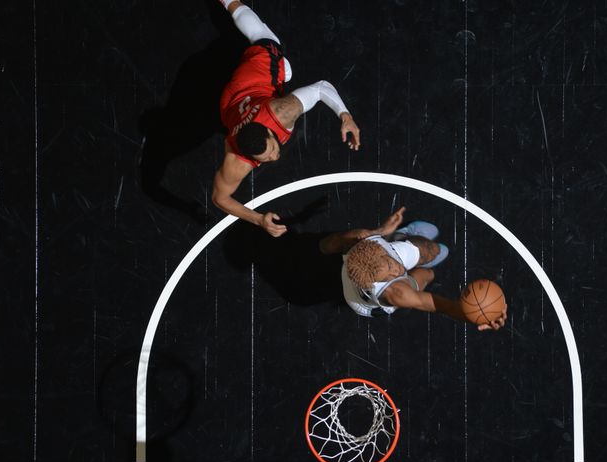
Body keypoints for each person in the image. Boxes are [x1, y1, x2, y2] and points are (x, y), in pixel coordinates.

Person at [213, 0, 361, 237]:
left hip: (252, 81)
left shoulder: (281, 113)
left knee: (267, 40)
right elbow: (219, 198)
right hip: (231, 104)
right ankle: (284, 72)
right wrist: (258, 219)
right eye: (266, 157)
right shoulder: (236, 158)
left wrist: (345, 116)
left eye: (270, 149)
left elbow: (322, 88)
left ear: (270, 131)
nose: (273, 157)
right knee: (283, 73)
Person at [319, 208, 507, 331]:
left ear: (376, 248)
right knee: (427, 274)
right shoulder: (397, 294)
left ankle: (400, 236)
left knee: (433, 251)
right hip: (367, 301)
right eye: (391, 275)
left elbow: (325, 245)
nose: (398, 271)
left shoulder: (360, 239)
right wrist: (479, 316)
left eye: (391, 265)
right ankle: (399, 242)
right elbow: (443, 306)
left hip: (381, 251)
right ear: (381, 280)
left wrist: (379, 231)